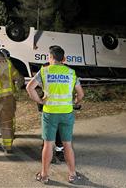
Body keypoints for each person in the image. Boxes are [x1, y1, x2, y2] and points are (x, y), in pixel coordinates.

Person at [26, 45, 84, 184]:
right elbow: (81, 94)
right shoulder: (71, 72)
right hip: (66, 113)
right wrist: (75, 101)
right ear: (63, 59)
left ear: (50, 58)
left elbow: (29, 88)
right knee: (67, 144)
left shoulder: (44, 71)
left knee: (48, 144)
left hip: (50, 113)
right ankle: (72, 175)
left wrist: (40, 101)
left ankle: (44, 175)